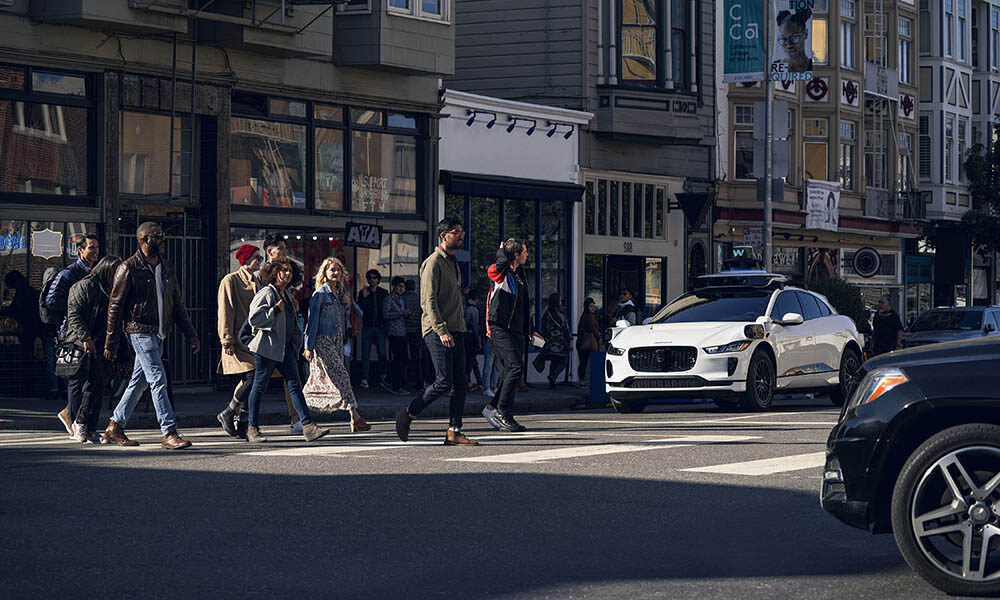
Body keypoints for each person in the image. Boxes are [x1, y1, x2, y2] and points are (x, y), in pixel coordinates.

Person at [103, 222, 199, 450]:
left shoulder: (165, 267)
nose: (162, 239)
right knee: (158, 378)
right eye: (157, 236)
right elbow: (114, 307)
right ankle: (169, 432)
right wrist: (111, 341)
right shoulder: (128, 268)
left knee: (140, 382)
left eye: (162, 235)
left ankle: (115, 425)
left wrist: (191, 334)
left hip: (159, 333)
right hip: (139, 331)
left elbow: (177, 304)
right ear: (144, 239)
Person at [395, 218, 477, 446]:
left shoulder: (453, 262)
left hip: (457, 329)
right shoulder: (433, 263)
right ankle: (407, 413)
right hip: (437, 330)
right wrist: (441, 330)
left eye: (462, 231)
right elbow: (427, 301)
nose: (461, 235)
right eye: (456, 232)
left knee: (461, 382)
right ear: (443, 236)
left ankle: (454, 431)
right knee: (443, 381)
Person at [245, 257, 329, 444]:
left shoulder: (288, 295)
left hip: (285, 348)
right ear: (274, 272)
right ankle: (252, 428)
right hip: (267, 348)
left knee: (294, 385)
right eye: (283, 270)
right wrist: (274, 310)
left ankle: (308, 426)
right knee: (260, 386)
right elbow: (254, 318)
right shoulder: (267, 292)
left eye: (290, 271)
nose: (287, 273)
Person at [303, 257, 369, 431]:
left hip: (338, 340)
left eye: (338, 270)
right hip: (323, 340)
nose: (336, 273)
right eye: (332, 269)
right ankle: (356, 417)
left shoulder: (341, 294)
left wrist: (348, 303)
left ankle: (301, 411)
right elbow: (312, 322)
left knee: (332, 379)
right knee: (343, 376)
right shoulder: (320, 295)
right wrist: (308, 346)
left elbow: (360, 313)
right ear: (324, 273)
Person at [64, 256, 123, 443]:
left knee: (100, 385)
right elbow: (74, 314)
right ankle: (80, 423)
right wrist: (85, 338)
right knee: (89, 385)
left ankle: (91, 427)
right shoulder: (86, 286)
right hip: (85, 342)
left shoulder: (110, 289)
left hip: (102, 342)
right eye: (115, 272)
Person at [261, 233, 308, 434]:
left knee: (292, 379)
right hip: (267, 336)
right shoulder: (260, 275)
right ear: (270, 251)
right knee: (255, 381)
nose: (285, 253)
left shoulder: (287, 271)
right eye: (281, 248)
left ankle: (301, 421)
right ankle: (238, 412)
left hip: (286, 335)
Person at [482, 238, 531, 433]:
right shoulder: (500, 274)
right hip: (499, 327)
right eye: (525, 252)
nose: (527, 255)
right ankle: (503, 412)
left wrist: (530, 329)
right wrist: (502, 251)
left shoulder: (519, 274)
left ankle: (493, 408)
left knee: (510, 372)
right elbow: (495, 269)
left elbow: (525, 305)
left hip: (517, 330)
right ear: (516, 255)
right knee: (514, 367)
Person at [215, 243, 262, 438]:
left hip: (256, 339)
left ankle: (243, 422)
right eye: (257, 257)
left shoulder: (259, 281)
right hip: (238, 339)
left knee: (252, 379)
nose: (260, 261)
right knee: (253, 377)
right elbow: (225, 309)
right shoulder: (231, 280)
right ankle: (229, 411)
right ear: (246, 260)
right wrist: (226, 339)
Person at [357, 268, 389, 390]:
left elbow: (386, 309)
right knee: (365, 354)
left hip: (380, 327)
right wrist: (364, 297)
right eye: (370, 278)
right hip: (368, 326)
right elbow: (359, 310)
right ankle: (365, 378)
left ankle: (383, 375)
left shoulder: (383, 293)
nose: (372, 280)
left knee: (382, 352)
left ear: (378, 279)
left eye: (374, 278)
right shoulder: (364, 292)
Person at [383, 276, 411, 395]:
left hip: (402, 332)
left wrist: (407, 314)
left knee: (403, 359)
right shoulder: (389, 299)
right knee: (398, 359)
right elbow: (385, 315)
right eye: (399, 286)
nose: (401, 289)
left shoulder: (401, 299)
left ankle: (389, 379)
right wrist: (401, 313)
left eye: (403, 287)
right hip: (394, 333)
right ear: (393, 287)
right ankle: (395, 385)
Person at [538, 293, 572, 389]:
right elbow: (565, 328)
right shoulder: (560, 314)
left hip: (549, 342)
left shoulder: (547, 313)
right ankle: (553, 376)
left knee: (553, 361)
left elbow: (543, 326)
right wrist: (569, 339)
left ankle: (552, 383)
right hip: (559, 342)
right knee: (563, 361)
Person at [775, 8, 813, 73]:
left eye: (794, 37)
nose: (789, 45)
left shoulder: (811, 67)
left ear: (805, 34)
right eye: (784, 39)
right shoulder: (776, 66)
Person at [401, 278, 423, 388]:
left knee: (403, 356)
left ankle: (404, 381)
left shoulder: (402, 298)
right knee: (416, 356)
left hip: (404, 330)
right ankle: (419, 381)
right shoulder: (418, 299)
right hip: (416, 330)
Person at [576, 297, 601, 387]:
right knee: (586, 363)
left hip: (581, 342)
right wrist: (599, 335)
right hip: (587, 342)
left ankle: (582, 381)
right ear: (587, 307)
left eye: (594, 306)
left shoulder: (584, 316)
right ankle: (585, 381)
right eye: (591, 306)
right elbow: (592, 329)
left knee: (583, 362)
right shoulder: (589, 317)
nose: (593, 308)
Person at [464, 288, 483, 391]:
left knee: (472, 361)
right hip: (471, 337)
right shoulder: (473, 309)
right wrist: (478, 341)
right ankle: (467, 382)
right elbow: (475, 327)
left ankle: (479, 382)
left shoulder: (464, 306)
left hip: (463, 336)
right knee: (470, 361)